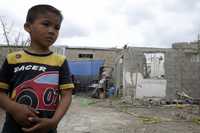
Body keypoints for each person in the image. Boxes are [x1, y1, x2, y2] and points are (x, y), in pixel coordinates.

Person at [0, 4, 74, 133]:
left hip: (47, 129)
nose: (52, 31)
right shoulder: (12, 59)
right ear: (28, 27)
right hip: (13, 129)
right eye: (46, 24)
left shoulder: (60, 61)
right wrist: (14, 108)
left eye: (57, 27)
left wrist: (54, 121)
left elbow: (66, 95)